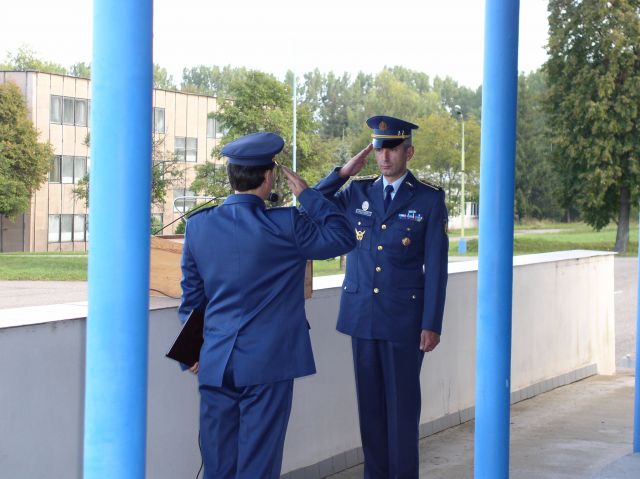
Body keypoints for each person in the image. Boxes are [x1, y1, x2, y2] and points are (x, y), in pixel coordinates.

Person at [178, 132, 356, 479]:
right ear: (268, 177)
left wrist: (191, 351)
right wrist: (308, 195)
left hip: (215, 362)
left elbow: (192, 297)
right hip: (268, 365)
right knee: (258, 465)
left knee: (217, 464)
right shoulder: (286, 225)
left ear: (232, 177)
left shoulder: (198, 226)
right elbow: (343, 237)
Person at [315, 115, 449, 478]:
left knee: (402, 413)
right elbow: (311, 206)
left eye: (392, 149)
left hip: (404, 322)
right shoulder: (356, 193)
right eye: (378, 149)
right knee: (371, 413)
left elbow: (437, 267)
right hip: (362, 317)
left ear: (409, 152)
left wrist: (431, 323)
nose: (384, 156)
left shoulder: (428, 199)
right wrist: (342, 173)